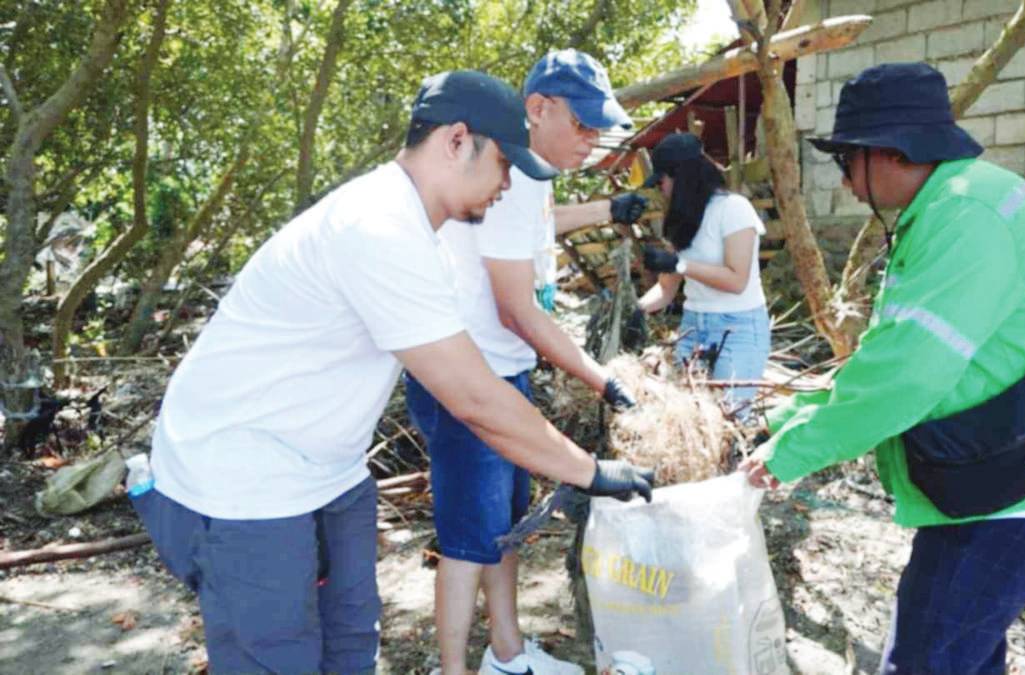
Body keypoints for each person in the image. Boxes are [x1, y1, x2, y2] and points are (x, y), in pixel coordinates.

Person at [131, 70, 653, 675]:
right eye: (505, 165)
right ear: (457, 142)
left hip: (329, 471)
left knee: (352, 640)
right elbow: (473, 398)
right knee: (277, 658)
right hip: (244, 480)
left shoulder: (418, 229)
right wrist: (589, 472)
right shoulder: (375, 226)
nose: (508, 184)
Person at [739, 62, 1025, 674]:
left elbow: (906, 377)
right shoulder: (960, 203)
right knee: (967, 656)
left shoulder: (967, 219)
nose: (847, 180)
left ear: (888, 153)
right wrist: (789, 412)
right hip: (994, 472)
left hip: (1010, 496)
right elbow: (897, 356)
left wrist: (784, 456)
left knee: (924, 661)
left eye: (846, 160)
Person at [409, 49, 648, 675]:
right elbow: (516, 309)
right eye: (583, 125)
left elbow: (534, 229)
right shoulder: (505, 168)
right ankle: (455, 669)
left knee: (505, 529)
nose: (593, 142)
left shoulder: (532, 177)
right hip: (471, 380)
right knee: (468, 542)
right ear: (537, 108)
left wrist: (604, 211)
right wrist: (602, 378)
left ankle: (507, 653)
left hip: (502, 372)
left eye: (601, 129)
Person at [633, 132, 770, 416]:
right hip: (693, 324)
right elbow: (666, 289)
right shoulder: (681, 220)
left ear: (682, 177)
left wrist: (680, 265)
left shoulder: (734, 209)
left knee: (728, 419)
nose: (662, 190)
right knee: (691, 415)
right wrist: (634, 310)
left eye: (662, 182)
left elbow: (736, 280)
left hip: (738, 327)